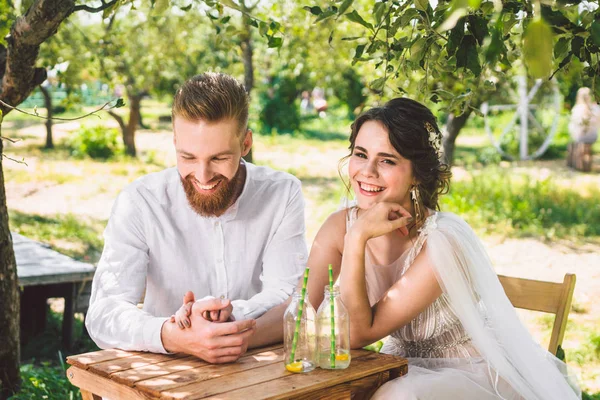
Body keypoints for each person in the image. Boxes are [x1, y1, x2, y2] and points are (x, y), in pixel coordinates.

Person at [305, 98, 581, 399]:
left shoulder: (442, 242)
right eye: (360, 154)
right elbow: (302, 307)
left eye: (387, 160)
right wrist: (249, 331)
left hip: (469, 370)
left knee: (397, 396)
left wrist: (357, 239)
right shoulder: (338, 225)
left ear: (418, 174)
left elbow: (357, 335)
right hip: (399, 363)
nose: (367, 171)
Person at [86, 72, 308, 364]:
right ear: (175, 142)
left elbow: (289, 294)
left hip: (252, 368)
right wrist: (173, 334)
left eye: (218, 158)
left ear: (245, 144)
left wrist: (231, 316)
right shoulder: (139, 202)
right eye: (188, 157)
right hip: (163, 372)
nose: (202, 176)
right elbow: (103, 313)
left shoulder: (282, 193)